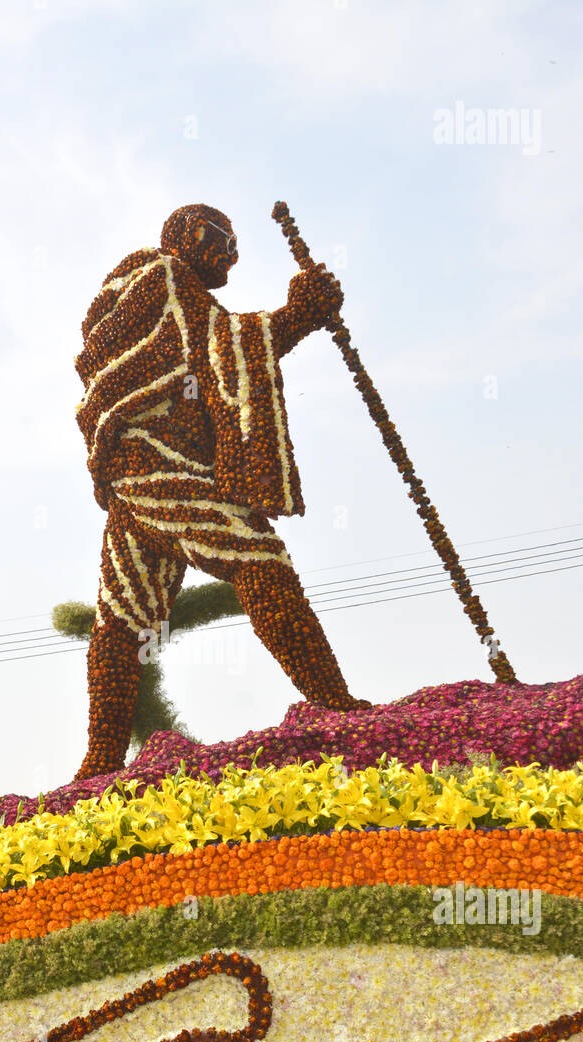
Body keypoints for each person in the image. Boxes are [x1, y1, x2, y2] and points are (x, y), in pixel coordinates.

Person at [72, 201, 371, 781]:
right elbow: (221, 346)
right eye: (221, 238)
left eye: (235, 244)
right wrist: (300, 313)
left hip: (135, 473)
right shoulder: (167, 278)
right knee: (260, 558)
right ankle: (336, 705)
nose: (232, 253)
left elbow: (207, 353)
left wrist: (296, 316)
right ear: (188, 235)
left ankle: (100, 764)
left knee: (125, 614)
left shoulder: (144, 291)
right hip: (156, 466)